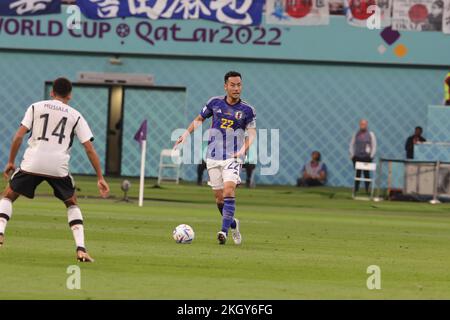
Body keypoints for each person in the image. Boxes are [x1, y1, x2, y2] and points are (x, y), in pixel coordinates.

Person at [0, 77, 110, 262]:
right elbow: (89, 148)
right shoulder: (76, 115)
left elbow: (18, 137)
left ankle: (0, 232)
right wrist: (100, 177)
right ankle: (81, 249)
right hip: (58, 166)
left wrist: (11, 161)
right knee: (72, 203)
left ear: (52, 92)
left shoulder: (35, 107)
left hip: (33, 162)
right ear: (70, 95)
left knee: (8, 195)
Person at [174, 71, 256, 245]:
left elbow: (252, 133)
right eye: (232, 85)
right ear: (225, 86)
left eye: (239, 85)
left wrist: (243, 149)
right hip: (213, 156)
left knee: (229, 191)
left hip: (233, 157)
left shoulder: (247, 110)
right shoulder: (214, 103)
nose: (236, 88)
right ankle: (233, 223)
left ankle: (223, 232)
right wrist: (185, 134)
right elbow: (199, 119)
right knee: (219, 199)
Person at [349, 119, 377, 194]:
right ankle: (356, 189)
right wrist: (352, 155)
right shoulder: (356, 134)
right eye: (361, 124)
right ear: (359, 125)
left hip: (366, 157)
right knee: (357, 173)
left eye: (364, 124)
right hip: (357, 157)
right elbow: (351, 144)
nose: (363, 125)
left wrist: (371, 156)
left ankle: (367, 189)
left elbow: (374, 146)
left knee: (366, 173)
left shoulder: (371, 134)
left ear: (366, 125)